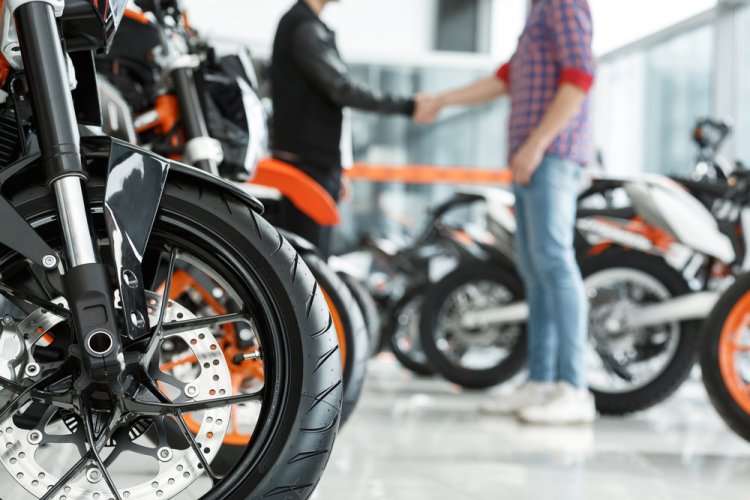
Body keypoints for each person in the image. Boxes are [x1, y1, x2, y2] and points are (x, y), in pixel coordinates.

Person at [416, 0, 596, 425]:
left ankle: (573, 388)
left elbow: (579, 77)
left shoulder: (564, 2)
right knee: (535, 270)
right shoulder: (537, 9)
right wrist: (443, 99)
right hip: (529, 159)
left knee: (555, 263)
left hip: (551, 155)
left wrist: (536, 143)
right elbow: (507, 78)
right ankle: (542, 382)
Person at [271, 0, 425, 258]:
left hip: (315, 162)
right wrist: (408, 105)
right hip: (307, 164)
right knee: (306, 264)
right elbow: (342, 89)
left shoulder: (307, 25)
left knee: (310, 261)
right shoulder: (304, 27)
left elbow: (328, 99)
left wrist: (338, 167)